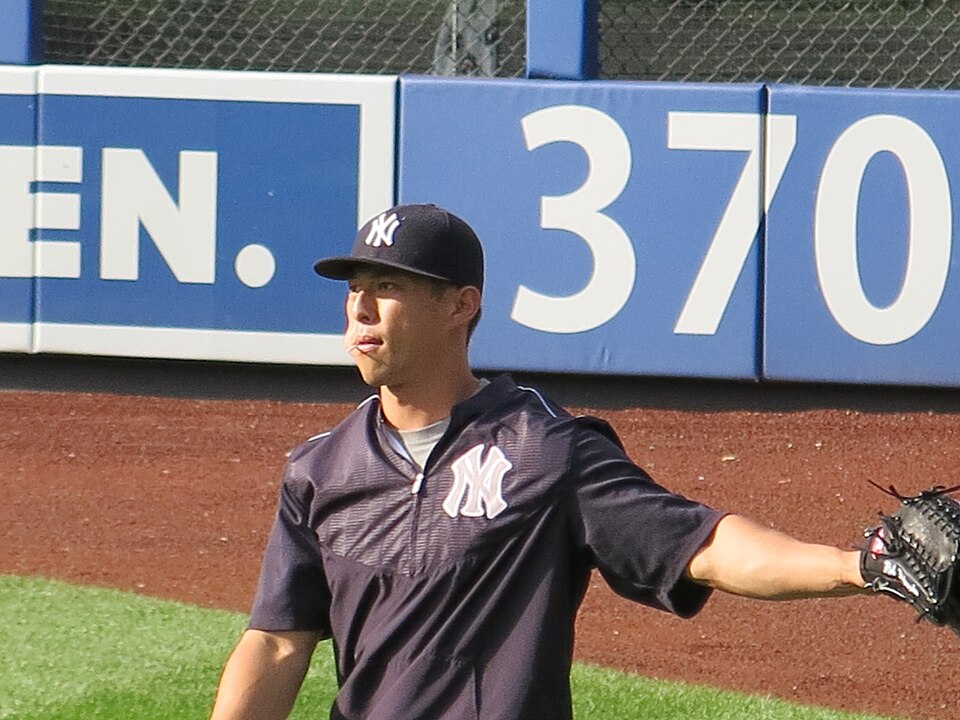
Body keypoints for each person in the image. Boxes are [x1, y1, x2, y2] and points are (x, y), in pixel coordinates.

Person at [209, 203, 868, 720]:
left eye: (387, 286)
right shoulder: (320, 470)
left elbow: (703, 545)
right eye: (355, 288)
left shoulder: (544, 451)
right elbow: (277, 640)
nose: (360, 308)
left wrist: (853, 567)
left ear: (460, 305)